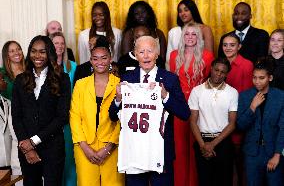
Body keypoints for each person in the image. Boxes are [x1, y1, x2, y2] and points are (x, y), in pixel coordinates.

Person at [109, 36, 190, 186]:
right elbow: (113, 116)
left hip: (160, 152)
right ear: (135, 54)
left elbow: (185, 113)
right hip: (134, 152)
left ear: (157, 54)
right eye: (141, 51)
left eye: (150, 51)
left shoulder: (169, 79)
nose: (146, 56)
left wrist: (166, 96)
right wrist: (119, 99)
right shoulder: (127, 79)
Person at [11, 35, 71, 186]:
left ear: (49, 53)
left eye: (42, 52)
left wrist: (34, 141)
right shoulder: (20, 80)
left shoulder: (62, 79)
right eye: (33, 51)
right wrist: (27, 147)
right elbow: (16, 116)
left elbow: (62, 117)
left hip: (53, 147)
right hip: (26, 149)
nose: (37, 56)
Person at [70, 36, 124, 186]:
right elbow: (74, 116)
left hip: (112, 147)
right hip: (84, 146)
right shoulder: (81, 84)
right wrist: (85, 148)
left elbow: (123, 119)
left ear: (110, 59)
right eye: (95, 59)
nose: (99, 62)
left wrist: (109, 147)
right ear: (91, 61)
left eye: (104, 58)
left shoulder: (120, 84)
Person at [169, 23, 214, 186]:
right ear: (182, 37)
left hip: (199, 106)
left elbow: (210, 81)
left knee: (195, 145)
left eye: (193, 34)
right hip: (179, 106)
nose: (190, 37)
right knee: (180, 148)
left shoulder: (207, 56)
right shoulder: (174, 56)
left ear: (198, 37)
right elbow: (173, 83)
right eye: (186, 34)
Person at [189, 58, 238, 186]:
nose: (218, 74)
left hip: (223, 142)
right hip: (202, 141)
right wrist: (203, 145)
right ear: (211, 69)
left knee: (224, 181)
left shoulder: (232, 92)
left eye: (223, 72)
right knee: (204, 181)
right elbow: (193, 121)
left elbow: (232, 123)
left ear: (227, 74)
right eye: (216, 70)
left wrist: (212, 145)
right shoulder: (197, 91)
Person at [237, 59, 284, 186]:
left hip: (273, 152)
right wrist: (252, 107)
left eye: (261, 78)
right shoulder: (244, 96)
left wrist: (277, 154)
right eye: (254, 78)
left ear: (270, 78)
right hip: (251, 153)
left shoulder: (281, 97)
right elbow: (240, 125)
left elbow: (282, 129)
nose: (257, 81)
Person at [221, 32, 253, 186]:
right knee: (226, 163)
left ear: (239, 46)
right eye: (225, 45)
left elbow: (247, 96)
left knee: (239, 162)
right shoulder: (219, 64)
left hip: (238, 118)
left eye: (232, 45)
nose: (228, 48)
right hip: (221, 119)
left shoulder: (246, 65)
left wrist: (239, 120)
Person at [49, 32, 77, 186]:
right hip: (52, 117)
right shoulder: (46, 67)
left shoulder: (73, 66)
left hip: (70, 117)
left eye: (61, 43)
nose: (59, 46)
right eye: (55, 43)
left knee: (69, 156)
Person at [1, 41, 25, 185]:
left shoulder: (30, 69)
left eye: (18, 49)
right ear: (6, 55)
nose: (16, 53)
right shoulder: (2, 75)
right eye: (12, 51)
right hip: (9, 120)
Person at [166, 0, 214, 70]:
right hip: (177, 72)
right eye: (180, 11)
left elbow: (210, 56)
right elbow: (168, 60)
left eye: (186, 10)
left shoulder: (205, 29)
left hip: (199, 71)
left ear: (193, 11)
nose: (183, 13)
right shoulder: (173, 32)